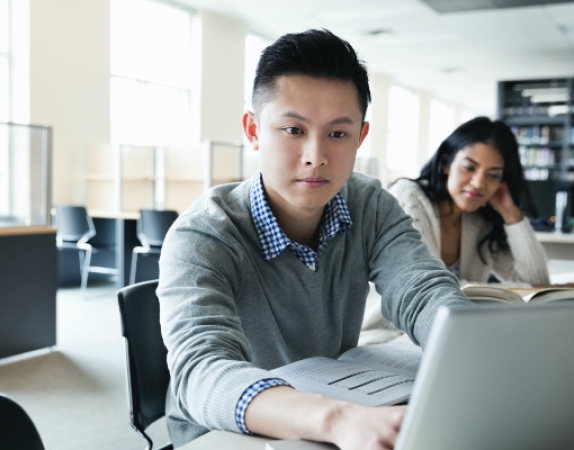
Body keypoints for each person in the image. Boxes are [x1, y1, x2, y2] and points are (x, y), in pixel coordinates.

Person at [157, 29, 471, 450]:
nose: (315, 156)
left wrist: (472, 352)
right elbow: (201, 373)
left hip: (340, 416)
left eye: (338, 134)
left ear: (360, 137)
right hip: (228, 432)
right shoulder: (204, 234)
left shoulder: (369, 205)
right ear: (253, 129)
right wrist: (335, 418)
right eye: (292, 130)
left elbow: (422, 290)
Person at [360, 117, 550, 345]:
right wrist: (501, 293)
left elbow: (537, 283)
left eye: (493, 175)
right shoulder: (408, 196)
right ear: (446, 164)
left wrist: (511, 214)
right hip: (388, 334)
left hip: (452, 334)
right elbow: (428, 290)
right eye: (469, 167)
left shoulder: (480, 222)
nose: (479, 182)